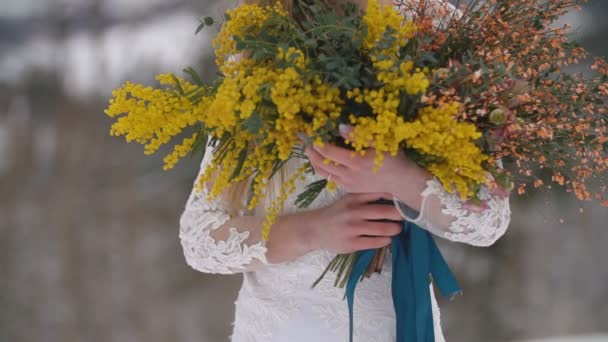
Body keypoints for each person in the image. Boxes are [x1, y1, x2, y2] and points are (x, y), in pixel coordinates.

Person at [178, 1, 511, 341]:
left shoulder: (429, 29)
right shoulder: (258, 47)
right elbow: (200, 237)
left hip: (393, 327)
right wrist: (312, 231)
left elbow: (488, 220)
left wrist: (396, 176)